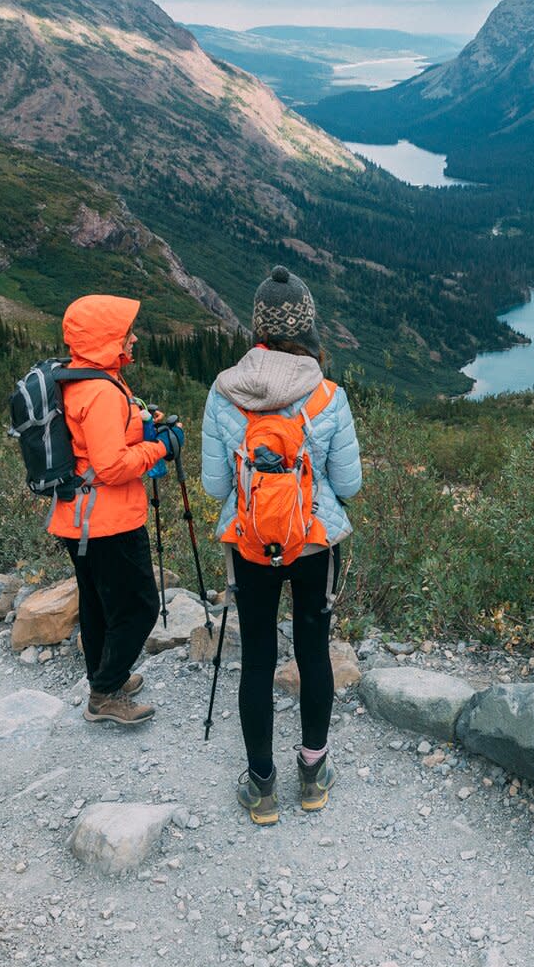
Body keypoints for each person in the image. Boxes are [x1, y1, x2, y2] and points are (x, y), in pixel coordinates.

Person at [202, 267, 361, 825]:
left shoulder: (224, 393)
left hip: (249, 546)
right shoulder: (328, 396)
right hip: (313, 544)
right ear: (307, 326)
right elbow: (349, 485)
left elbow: (216, 486)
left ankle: (261, 786)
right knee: (313, 654)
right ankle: (313, 776)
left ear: (258, 329)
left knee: (258, 660)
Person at [46, 296, 182, 727]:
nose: (134, 337)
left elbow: (98, 445)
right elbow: (112, 465)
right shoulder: (101, 391)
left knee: (99, 603)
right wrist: (162, 445)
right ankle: (105, 692)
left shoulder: (84, 380)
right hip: (107, 520)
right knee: (140, 606)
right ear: (107, 340)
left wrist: (143, 422)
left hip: (79, 517)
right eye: (126, 333)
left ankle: (105, 680)